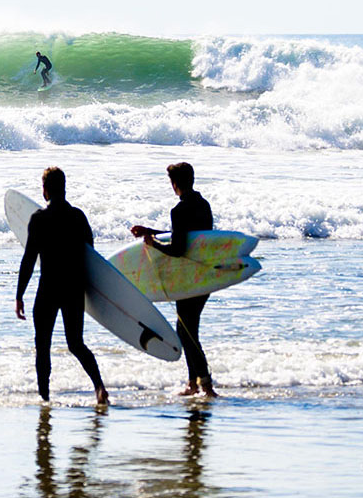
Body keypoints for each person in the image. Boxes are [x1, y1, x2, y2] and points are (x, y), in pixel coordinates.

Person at [16, 167, 110, 405]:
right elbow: (92, 256)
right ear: (64, 188)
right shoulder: (78, 217)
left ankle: (44, 397)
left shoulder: (39, 219)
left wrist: (19, 295)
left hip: (48, 288)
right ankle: (99, 387)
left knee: (43, 345)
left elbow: (29, 259)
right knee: (76, 343)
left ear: (45, 190)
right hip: (73, 288)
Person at [130, 162, 218, 397]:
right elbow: (187, 237)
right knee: (187, 329)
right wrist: (151, 232)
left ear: (175, 183)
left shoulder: (179, 211)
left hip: (186, 279)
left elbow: (178, 248)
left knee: (187, 331)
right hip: (204, 276)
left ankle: (205, 384)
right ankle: (194, 383)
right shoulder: (203, 205)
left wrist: (154, 244)